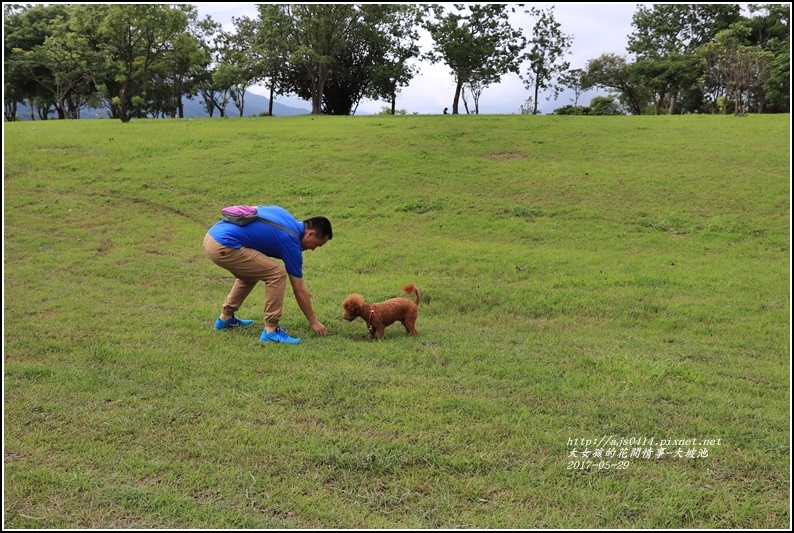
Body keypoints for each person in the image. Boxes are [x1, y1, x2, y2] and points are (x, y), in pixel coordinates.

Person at [203, 205, 333, 344]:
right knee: (277, 274)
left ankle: (226, 318)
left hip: (212, 235)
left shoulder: (283, 214)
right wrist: (314, 322)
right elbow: (299, 289)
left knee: (252, 273)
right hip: (224, 245)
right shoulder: (291, 242)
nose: (313, 249)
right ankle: (271, 330)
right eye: (317, 245)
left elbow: (252, 210)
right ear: (310, 234)